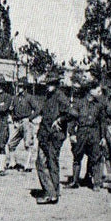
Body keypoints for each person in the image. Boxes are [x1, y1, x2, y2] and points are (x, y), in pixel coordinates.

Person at [33, 70, 69, 205]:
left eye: (51, 83)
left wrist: (59, 120)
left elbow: (71, 113)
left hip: (54, 136)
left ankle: (51, 193)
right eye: (47, 84)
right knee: (41, 162)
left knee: (51, 163)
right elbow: (42, 111)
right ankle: (53, 191)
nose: (47, 86)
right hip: (44, 134)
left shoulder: (61, 97)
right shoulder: (48, 96)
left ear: (56, 84)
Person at [65, 80, 107, 191]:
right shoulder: (79, 103)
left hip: (94, 133)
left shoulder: (99, 105)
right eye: (96, 89)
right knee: (77, 156)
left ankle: (96, 183)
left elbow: (102, 122)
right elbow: (72, 120)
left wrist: (103, 137)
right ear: (90, 90)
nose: (99, 92)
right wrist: (72, 134)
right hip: (81, 133)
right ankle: (74, 181)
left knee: (95, 158)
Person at [7, 80, 41, 171]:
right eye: (18, 86)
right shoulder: (15, 98)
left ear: (25, 88)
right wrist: (13, 118)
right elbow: (11, 109)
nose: (19, 88)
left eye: (21, 87)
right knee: (11, 143)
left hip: (26, 122)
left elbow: (38, 109)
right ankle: (12, 163)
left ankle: (28, 165)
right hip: (17, 123)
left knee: (28, 144)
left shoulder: (30, 98)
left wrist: (30, 118)